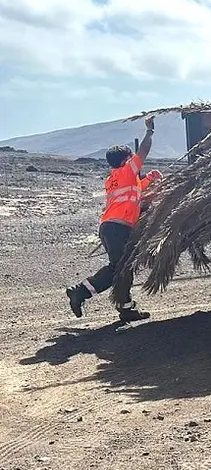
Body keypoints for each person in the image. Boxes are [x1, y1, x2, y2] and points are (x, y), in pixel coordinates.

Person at [66, 117, 161, 323]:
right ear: (125, 160)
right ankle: (80, 292)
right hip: (118, 228)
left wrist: (150, 179)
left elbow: (136, 192)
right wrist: (149, 132)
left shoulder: (114, 178)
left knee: (122, 267)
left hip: (110, 227)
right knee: (119, 268)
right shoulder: (127, 170)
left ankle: (125, 307)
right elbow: (143, 152)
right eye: (130, 158)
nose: (133, 160)